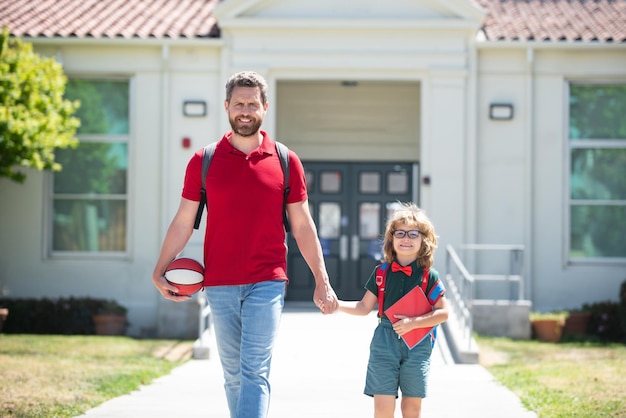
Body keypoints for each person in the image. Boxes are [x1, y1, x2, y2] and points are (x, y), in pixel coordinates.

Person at [151, 70, 338, 418]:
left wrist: (322, 281)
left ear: (265, 107)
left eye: (253, 104)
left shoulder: (285, 160)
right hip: (219, 284)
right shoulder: (203, 161)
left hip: (267, 282)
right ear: (226, 107)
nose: (246, 110)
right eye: (239, 103)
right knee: (234, 376)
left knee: (254, 371)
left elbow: (303, 225)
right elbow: (182, 221)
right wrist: (159, 270)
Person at [336, 203, 449, 418]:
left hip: (417, 343)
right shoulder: (381, 272)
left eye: (413, 234)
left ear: (424, 239)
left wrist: (413, 323)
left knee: (411, 408)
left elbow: (443, 313)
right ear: (391, 239)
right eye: (400, 233)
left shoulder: (428, 276)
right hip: (384, 342)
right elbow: (363, 307)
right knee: (382, 409)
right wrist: (336, 304)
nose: (406, 238)